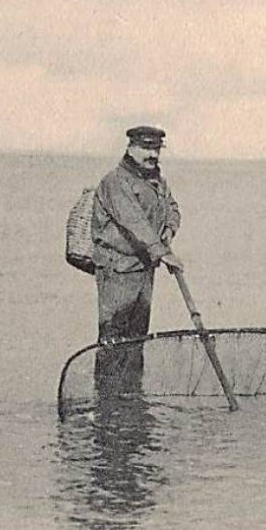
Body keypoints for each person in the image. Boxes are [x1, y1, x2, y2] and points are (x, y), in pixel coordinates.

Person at [91, 126, 182, 389]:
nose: (152, 155)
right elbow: (134, 221)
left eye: (156, 149)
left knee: (137, 338)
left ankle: (131, 399)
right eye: (146, 148)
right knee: (113, 337)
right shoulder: (115, 182)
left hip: (144, 269)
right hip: (117, 271)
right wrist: (163, 252)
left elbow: (173, 208)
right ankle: (106, 400)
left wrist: (169, 229)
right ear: (131, 147)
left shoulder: (156, 181)